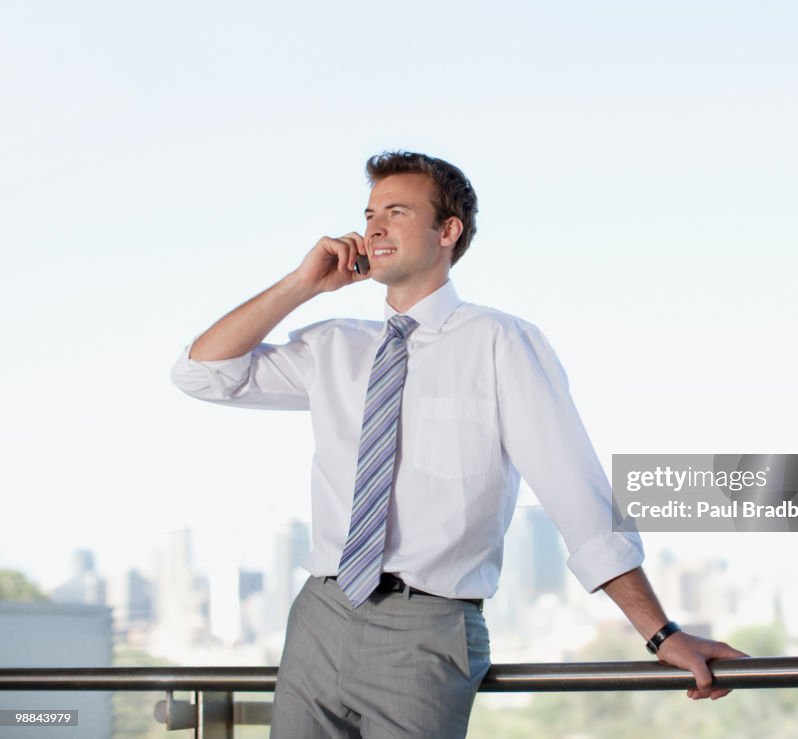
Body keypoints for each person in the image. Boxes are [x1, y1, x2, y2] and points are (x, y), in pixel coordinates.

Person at [171, 151, 746, 737]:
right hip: (319, 617)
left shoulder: (500, 342)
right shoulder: (333, 347)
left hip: (426, 628)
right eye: (370, 213)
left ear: (448, 231)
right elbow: (200, 373)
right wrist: (302, 285)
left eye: (396, 212)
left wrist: (660, 633)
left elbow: (574, 493)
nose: (373, 227)